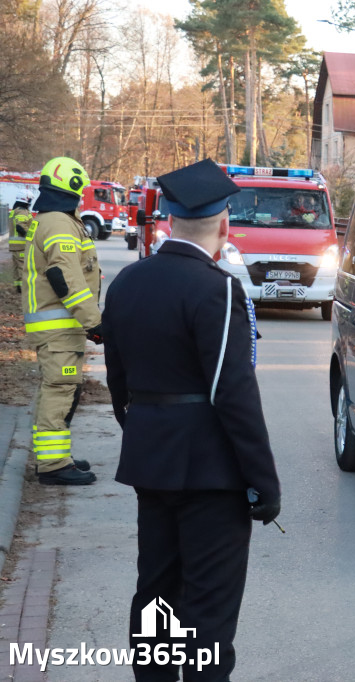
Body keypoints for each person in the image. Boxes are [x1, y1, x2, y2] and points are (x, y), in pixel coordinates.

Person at [102, 158, 281, 681]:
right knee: (208, 615)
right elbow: (234, 393)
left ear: (169, 220)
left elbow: (119, 383)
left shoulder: (128, 282)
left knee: (155, 596)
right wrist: (262, 481)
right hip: (210, 473)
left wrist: (145, 434)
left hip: (151, 461)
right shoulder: (217, 289)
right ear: (224, 224)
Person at [22, 157, 100, 485]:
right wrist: (94, 321)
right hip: (58, 328)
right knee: (60, 387)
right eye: (80, 189)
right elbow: (63, 275)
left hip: (58, 328)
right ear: (70, 186)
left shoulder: (56, 220)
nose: (82, 195)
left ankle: (54, 456)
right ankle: (53, 465)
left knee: (61, 388)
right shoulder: (58, 222)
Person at [8, 191, 33, 292]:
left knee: (17, 267)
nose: (30, 202)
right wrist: (31, 236)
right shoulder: (22, 212)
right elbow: (20, 227)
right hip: (21, 245)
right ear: (25, 199)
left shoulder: (15, 210)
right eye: (30, 200)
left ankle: (19, 287)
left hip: (15, 246)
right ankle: (24, 289)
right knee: (23, 267)